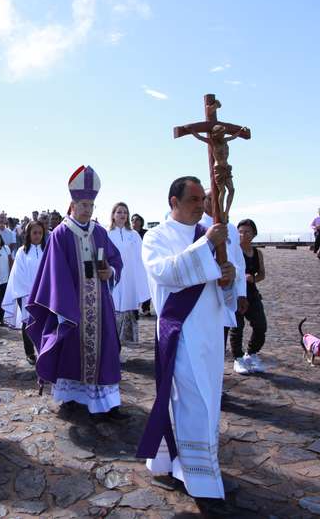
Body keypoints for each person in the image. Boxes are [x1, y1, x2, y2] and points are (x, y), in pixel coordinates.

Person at [136, 176, 236, 500]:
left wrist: (229, 278)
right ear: (173, 202)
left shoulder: (209, 232)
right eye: (194, 199)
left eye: (202, 199)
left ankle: (188, 463)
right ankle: (197, 477)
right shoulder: (156, 237)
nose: (200, 205)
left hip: (210, 332)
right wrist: (206, 244)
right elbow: (167, 273)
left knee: (209, 399)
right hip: (180, 332)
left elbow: (225, 289)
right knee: (192, 401)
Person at [26, 166, 127, 421]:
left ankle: (107, 404)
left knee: (105, 350)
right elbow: (54, 273)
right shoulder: (60, 234)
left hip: (100, 306)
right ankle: (71, 397)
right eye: (83, 205)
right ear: (72, 205)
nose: (87, 209)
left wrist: (110, 271)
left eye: (91, 205)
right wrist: (66, 306)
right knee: (71, 351)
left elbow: (115, 260)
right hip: (72, 308)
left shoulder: (99, 232)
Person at [200, 190, 248, 346]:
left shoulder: (232, 229)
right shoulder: (198, 226)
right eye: (210, 199)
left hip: (228, 287)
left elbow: (239, 262)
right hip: (207, 291)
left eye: (219, 199)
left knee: (221, 338)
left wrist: (241, 293)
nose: (216, 203)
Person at [228, 219, 268, 375]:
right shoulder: (232, 251)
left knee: (260, 325)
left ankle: (251, 353)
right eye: (240, 232)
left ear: (254, 234)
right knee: (237, 327)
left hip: (251, 293)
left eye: (247, 232)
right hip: (236, 293)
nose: (243, 235)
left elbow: (262, 274)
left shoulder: (257, 253)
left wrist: (253, 278)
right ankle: (237, 358)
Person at [2, 220, 46, 365]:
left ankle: (44, 349)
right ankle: (30, 352)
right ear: (28, 234)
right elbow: (18, 274)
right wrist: (30, 292)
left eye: (40, 233)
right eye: (34, 233)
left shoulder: (48, 250)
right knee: (28, 322)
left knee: (44, 323)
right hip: (26, 294)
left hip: (44, 294)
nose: (37, 235)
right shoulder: (22, 251)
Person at [107, 202, 150, 345]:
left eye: (125, 212)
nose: (122, 215)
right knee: (112, 308)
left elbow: (141, 258)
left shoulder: (134, 235)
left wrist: (142, 280)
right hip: (113, 277)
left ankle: (123, 343)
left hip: (130, 277)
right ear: (113, 215)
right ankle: (112, 345)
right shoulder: (106, 234)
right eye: (119, 212)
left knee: (128, 306)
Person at [131, 214, 152, 316]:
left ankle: (146, 308)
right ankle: (134, 307)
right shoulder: (129, 233)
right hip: (133, 264)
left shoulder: (146, 233)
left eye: (137, 220)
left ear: (141, 221)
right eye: (133, 220)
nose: (134, 222)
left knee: (146, 286)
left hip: (144, 263)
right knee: (134, 286)